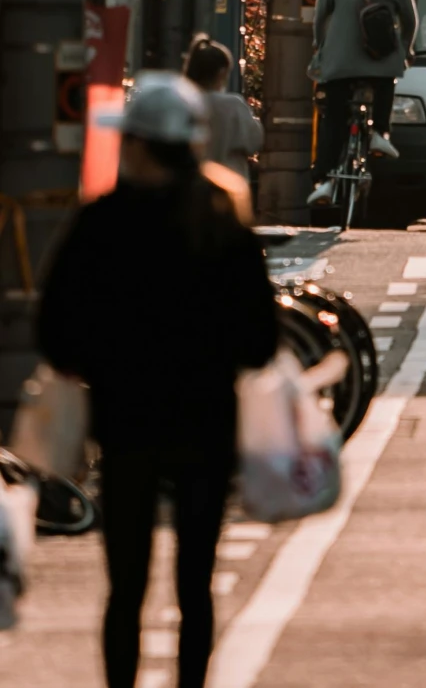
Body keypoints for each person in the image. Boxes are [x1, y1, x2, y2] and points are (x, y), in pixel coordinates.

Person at [38, 73, 278, 688]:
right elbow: (260, 341)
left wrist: (100, 363)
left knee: (126, 586)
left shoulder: (102, 222)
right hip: (206, 421)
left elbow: (55, 331)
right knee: (194, 584)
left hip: (126, 421)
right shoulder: (223, 219)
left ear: (138, 144)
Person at [306, 0, 417, 207]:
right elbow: (409, 20)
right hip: (381, 61)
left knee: (333, 119)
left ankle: (326, 181)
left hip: (339, 62)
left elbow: (320, 15)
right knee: (384, 82)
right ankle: (380, 131)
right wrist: (405, 50)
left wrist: (320, 46)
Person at [181, 36, 263, 182]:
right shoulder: (233, 105)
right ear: (222, 72)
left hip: (189, 187)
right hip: (229, 188)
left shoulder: (183, 103)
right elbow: (255, 141)